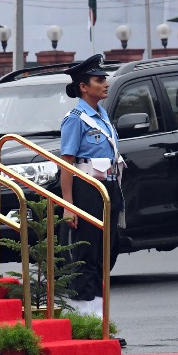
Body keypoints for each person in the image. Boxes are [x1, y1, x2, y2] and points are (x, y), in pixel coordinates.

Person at [60, 54, 125, 318]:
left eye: (105, 78)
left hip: (109, 188)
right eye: (99, 80)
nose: (106, 83)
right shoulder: (76, 118)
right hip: (86, 189)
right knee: (85, 254)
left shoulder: (102, 115)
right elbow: (66, 163)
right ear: (84, 87)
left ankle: (100, 319)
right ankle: (86, 318)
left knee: (104, 256)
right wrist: (68, 204)